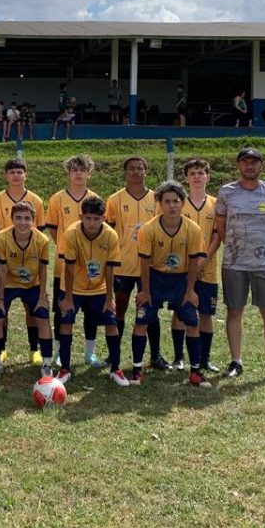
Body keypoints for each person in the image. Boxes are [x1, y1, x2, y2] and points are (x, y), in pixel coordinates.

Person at [215, 147, 265, 384]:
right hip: (234, 265)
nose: (250, 166)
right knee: (234, 311)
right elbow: (221, 226)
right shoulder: (226, 192)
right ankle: (236, 361)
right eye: (245, 162)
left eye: (254, 162)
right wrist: (237, 249)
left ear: (261, 165)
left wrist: (262, 248)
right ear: (238, 166)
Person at [134, 181, 208, 387]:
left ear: (183, 203)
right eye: (167, 201)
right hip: (155, 278)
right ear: (159, 203)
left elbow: (194, 261)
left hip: (181, 280)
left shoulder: (192, 229)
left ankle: (195, 372)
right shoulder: (148, 229)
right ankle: (137, 370)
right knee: (141, 321)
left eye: (176, 201)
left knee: (192, 323)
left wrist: (191, 290)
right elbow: (144, 262)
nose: (172, 206)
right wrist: (145, 291)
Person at [104, 156, 166, 369]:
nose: (136, 172)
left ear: (145, 172)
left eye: (140, 168)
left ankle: (156, 355)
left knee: (150, 310)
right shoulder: (114, 199)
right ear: (125, 172)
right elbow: (109, 233)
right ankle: (114, 355)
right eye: (131, 169)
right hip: (123, 265)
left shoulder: (157, 200)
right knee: (119, 308)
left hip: (150, 266)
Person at [58, 196, 125, 386]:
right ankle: (64, 369)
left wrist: (109, 298)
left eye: (96, 219)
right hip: (73, 288)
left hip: (99, 288)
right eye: (88, 218)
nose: (92, 223)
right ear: (81, 217)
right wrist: (69, 298)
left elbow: (110, 269)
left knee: (111, 323)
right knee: (66, 322)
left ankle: (116, 369)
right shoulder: (71, 233)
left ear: (103, 218)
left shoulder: (111, 235)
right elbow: (68, 268)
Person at [44, 154, 101, 366]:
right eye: (74, 169)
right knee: (62, 309)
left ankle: (90, 352)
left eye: (82, 170)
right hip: (64, 265)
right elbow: (52, 226)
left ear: (89, 173)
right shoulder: (57, 198)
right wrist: (64, 246)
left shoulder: (94, 198)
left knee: (92, 311)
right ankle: (59, 351)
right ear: (68, 173)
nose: (78, 173)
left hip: (90, 265)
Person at [0, 157, 47, 364]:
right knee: (1, 304)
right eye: (11, 172)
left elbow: (39, 232)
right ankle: (1, 349)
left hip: (30, 258)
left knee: (32, 308)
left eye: (19, 171)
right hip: (5, 258)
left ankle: (34, 349)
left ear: (25, 175)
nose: (15, 175)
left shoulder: (36, 200)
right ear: (6, 176)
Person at [0, 203, 53, 379]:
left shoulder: (42, 240)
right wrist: (0, 297)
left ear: (33, 220)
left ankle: (46, 363)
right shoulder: (2, 238)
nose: (23, 222)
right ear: (12, 219)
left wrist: (42, 296)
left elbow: (42, 270)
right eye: (18, 218)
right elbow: (1, 269)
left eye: (27, 218)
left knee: (42, 314)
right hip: (8, 283)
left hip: (32, 284)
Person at [178, 158, 221, 374]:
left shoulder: (216, 204)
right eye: (192, 173)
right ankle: (179, 358)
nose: (196, 177)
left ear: (208, 176)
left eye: (200, 173)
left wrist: (203, 261)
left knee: (206, 313)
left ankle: (204, 359)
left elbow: (217, 235)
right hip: (182, 269)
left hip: (208, 268)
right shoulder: (178, 202)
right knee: (180, 313)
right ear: (186, 178)